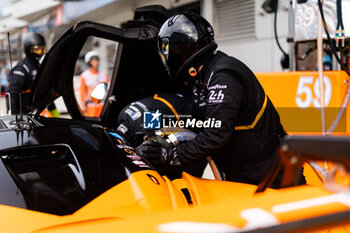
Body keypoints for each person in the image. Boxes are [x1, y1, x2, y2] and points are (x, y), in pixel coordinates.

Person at [139, 12, 305, 186]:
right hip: (246, 180)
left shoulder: (223, 74)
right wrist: (155, 141)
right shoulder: (204, 78)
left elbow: (215, 134)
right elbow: (194, 124)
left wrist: (170, 156)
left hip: (274, 181)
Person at [115, 93, 207, 180]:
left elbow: (154, 153)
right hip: (173, 110)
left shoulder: (141, 126)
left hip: (196, 120)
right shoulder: (126, 118)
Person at [7, 32, 59, 116]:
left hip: (36, 115)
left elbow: (45, 92)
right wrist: (13, 117)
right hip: (22, 117)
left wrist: (55, 114)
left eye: (43, 49)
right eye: (37, 49)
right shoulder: (21, 68)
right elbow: (12, 94)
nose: (41, 52)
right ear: (28, 49)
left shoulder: (39, 67)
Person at [80, 50, 109, 116]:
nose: (96, 62)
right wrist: (83, 104)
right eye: (93, 60)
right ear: (89, 62)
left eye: (96, 60)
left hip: (102, 104)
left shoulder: (104, 74)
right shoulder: (85, 75)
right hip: (90, 106)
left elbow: (108, 89)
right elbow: (82, 91)